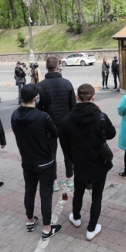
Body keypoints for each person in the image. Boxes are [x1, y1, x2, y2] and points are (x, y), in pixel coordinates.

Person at [60, 84, 116, 241]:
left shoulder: (68, 119)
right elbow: (111, 134)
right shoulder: (100, 116)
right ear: (94, 97)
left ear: (78, 97)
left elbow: (64, 144)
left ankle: (76, 217)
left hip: (79, 163)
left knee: (78, 191)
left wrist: (73, 158)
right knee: (97, 196)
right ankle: (91, 228)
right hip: (99, 162)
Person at [11, 84, 61, 240]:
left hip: (27, 160)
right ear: (35, 98)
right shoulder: (42, 116)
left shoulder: (14, 115)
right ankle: (47, 228)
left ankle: (30, 220)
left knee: (29, 190)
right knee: (45, 194)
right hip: (44, 161)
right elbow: (55, 134)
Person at [36, 56, 76, 190]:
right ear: (58, 67)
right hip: (66, 125)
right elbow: (73, 107)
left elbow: (38, 109)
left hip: (48, 126)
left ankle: (53, 181)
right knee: (68, 153)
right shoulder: (67, 83)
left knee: (50, 154)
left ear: (46, 67)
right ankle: (70, 178)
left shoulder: (40, 86)